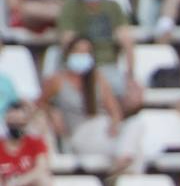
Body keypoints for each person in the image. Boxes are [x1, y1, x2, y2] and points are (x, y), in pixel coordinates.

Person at [39, 38, 130, 172]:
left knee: (138, 126)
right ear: (69, 54)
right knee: (129, 148)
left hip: (103, 129)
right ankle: (121, 168)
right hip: (79, 132)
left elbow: (114, 110)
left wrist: (115, 124)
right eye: (78, 51)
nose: (82, 55)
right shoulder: (57, 80)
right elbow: (40, 103)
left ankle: (122, 167)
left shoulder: (97, 78)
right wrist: (52, 112)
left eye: (86, 52)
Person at [57, 0, 142, 113]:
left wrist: (130, 76)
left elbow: (126, 38)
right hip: (79, 66)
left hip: (106, 65)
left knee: (132, 95)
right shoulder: (71, 6)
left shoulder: (112, 6)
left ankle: (113, 121)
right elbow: (68, 40)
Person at [0, 103, 57, 186]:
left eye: (20, 122)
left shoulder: (34, 143)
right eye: (12, 122)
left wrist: (17, 183)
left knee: (45, 182)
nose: (16, 126)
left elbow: (41, 168)